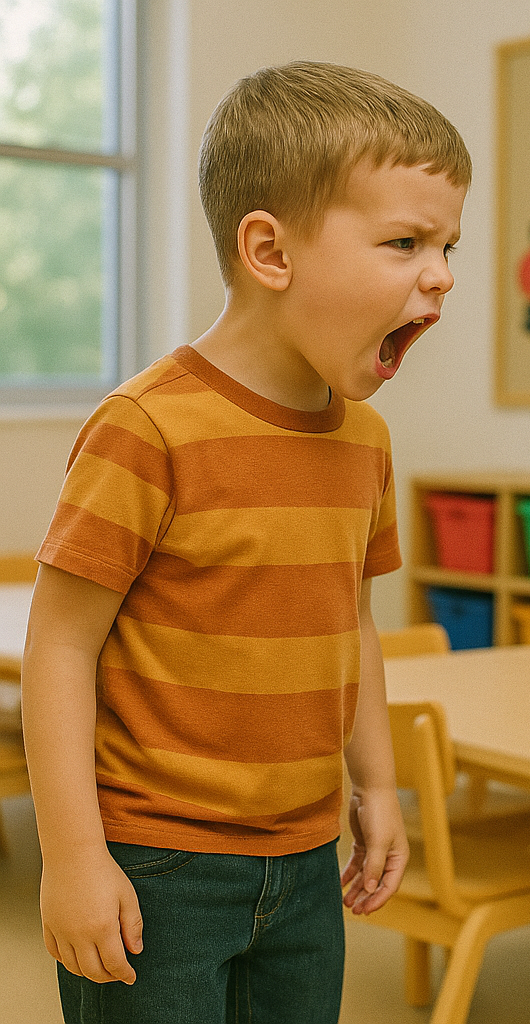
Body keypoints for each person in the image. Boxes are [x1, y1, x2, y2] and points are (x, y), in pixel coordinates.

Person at [21, 61, 471, 1024]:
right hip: (157, 865)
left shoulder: (365, 441)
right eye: (405, 242)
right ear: (270, 250)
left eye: (447, 246)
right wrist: (71, 859)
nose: (440, 275)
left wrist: (378, 786)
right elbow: (60, 647)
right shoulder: (146, 429)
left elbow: (349, 623)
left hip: (304, 862)